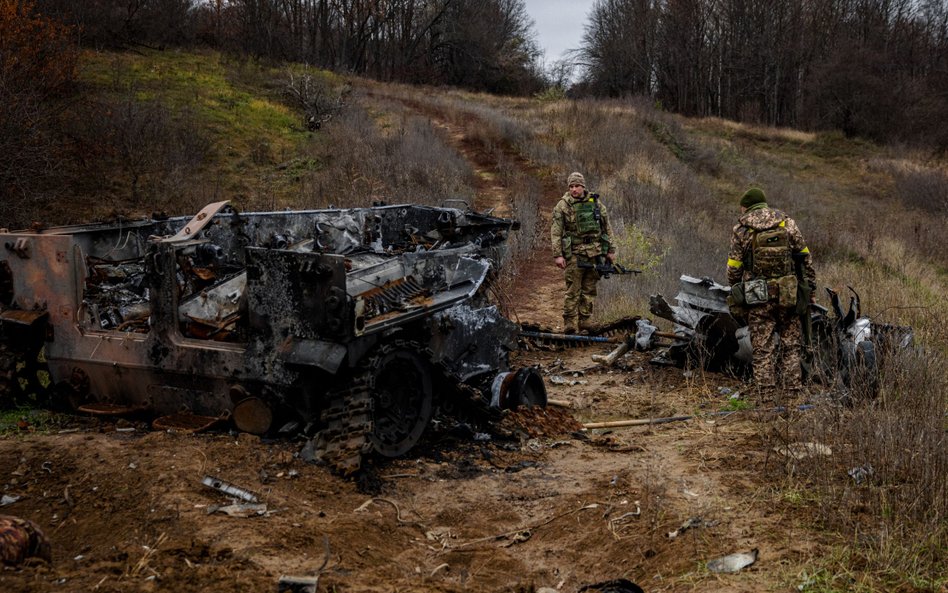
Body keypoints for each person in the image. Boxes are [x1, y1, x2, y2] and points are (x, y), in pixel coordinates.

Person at [727, 187, 816, 391]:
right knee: (791, 347)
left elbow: (733, 268)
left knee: (762, 349)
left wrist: (737, 289)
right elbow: (805, 259)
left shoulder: (741, 229)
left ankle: (767, 400)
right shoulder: (786, 222)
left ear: (746, 207)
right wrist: (810, 289)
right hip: (788, 294)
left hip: (757, 296)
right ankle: (793, 395)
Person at [550, 171, 616, 334]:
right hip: (574, 254)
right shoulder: (563, 205)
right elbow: (556, 232)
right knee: (573, 289)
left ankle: (585, 320)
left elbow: (606, 227)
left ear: (583, 186)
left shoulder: (596, 203)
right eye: (571, 186)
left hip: (594, 253)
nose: (574, 189)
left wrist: (611, 250)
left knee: (589, 289)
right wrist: (558, 255)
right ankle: (570, 323)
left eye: (577, 186)